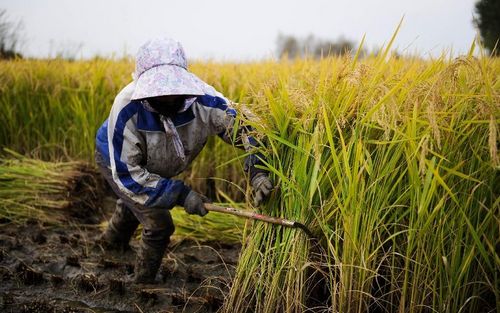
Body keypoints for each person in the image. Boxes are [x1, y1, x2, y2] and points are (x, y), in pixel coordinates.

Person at [94, 38, 273, 284]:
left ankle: (110, 244)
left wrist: (258, 170)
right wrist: (181, 194)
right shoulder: (128, 108)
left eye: (173, 89)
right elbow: (129, 177)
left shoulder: (204, 100)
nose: (168, 96)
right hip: (116, 160)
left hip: (156, 164)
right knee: (159, 223)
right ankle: (143, 285)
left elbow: (248, 128)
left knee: (136, 203)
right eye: (160, 91)